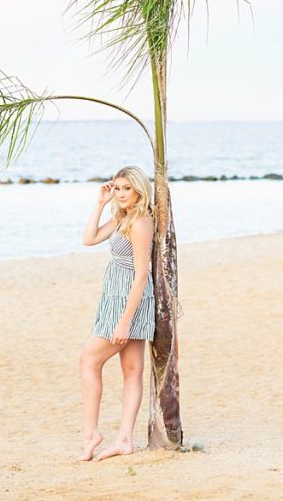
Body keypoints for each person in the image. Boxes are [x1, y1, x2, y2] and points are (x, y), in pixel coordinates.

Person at [79, 166, 156, 461]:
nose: (121, 193)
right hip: (115, 297)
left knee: (88, 359)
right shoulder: (123, 217)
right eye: (118, 188)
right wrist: (99, 203)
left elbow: (140, 274)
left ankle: (91, 433)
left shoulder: (140, 222)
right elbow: (88, 239)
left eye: (127, 188)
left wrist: (125, 322)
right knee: (131, 370)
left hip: (129, 301)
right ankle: (124, 439)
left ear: (139, 190)